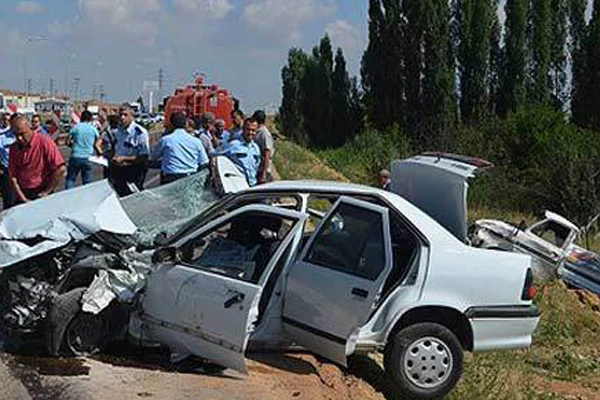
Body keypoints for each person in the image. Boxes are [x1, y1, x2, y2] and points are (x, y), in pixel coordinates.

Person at [9, 115, 66, 204]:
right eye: (16, 135)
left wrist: (47, 191)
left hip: (41, 190)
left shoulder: (44, 141)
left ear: (29, 128)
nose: (19, 138)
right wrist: (23, 198)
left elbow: (61, 168)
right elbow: (13, 176)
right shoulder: (14, 148)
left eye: (22, 134)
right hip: (23, 193)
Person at [152, 111, 209, 185]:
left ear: (171, 124)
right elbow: (204, 161)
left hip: (170, 178)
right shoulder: (196, 141)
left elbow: (154, 156)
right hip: (190, 178)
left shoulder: (166, 140)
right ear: (186, 124)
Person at [110, 105, 150, 196]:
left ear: (132, 116)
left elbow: (144, 156)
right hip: (118, 169)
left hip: (133, 170)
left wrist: (124, 158)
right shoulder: (118, 131)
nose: (122, 117)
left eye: (125, 115)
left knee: (133, 197)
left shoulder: (139, 132)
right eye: (120, 115)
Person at [65, 110, 102, 189]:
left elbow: (67, 141)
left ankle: (68, 196)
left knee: (70, 179)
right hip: (88, 157)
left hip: (76, 156)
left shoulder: (75, 127)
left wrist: (73, 146)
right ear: (90, 119)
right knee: (87, 181)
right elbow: (98, 140)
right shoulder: (93, 129)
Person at [225, 118, 262, 186]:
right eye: (248, 129)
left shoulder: (256, 148)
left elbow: (256, 167)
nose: (250, 132)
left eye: (253, 130)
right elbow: (216, 157)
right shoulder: (233, 145)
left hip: (252, 185)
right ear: (243, 129)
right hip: (237, 185)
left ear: (256, 131)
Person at [251, 110, 275, 184]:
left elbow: (267, 154)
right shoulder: (257, 132)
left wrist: (263, 174)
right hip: (257, 169)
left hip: (263, 171)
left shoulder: (264, 134)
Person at [0, 114, 17, 209]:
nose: (6, 121)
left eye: (8, 120)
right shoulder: (1, 135)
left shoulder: (15, 133)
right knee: (8, 195)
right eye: (4, 120)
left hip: (17, 167)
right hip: (6, 168)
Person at [101, 114, 119, 178]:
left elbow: (97, 144)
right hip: (118, 157)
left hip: (107, 156)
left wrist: (102, 153)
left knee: (107, 176)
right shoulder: (121, 133)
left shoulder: (105, 133)